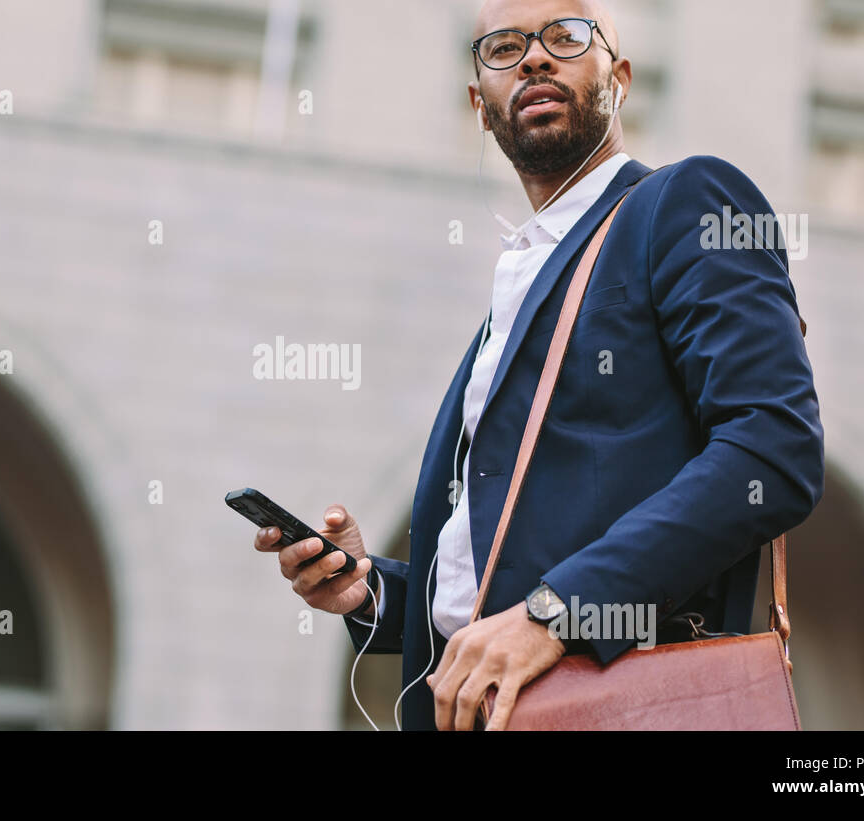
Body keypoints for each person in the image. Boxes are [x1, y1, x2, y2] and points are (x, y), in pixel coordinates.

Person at [251, 0, 824, 731]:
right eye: (505, 46)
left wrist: (556, 614)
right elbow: (502, 576)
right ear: (479, 107)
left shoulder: (683, 204)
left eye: (565, 36)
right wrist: (370, 592)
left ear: (618, 76)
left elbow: (774, 451)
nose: (534, 57)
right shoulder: (521, 282)